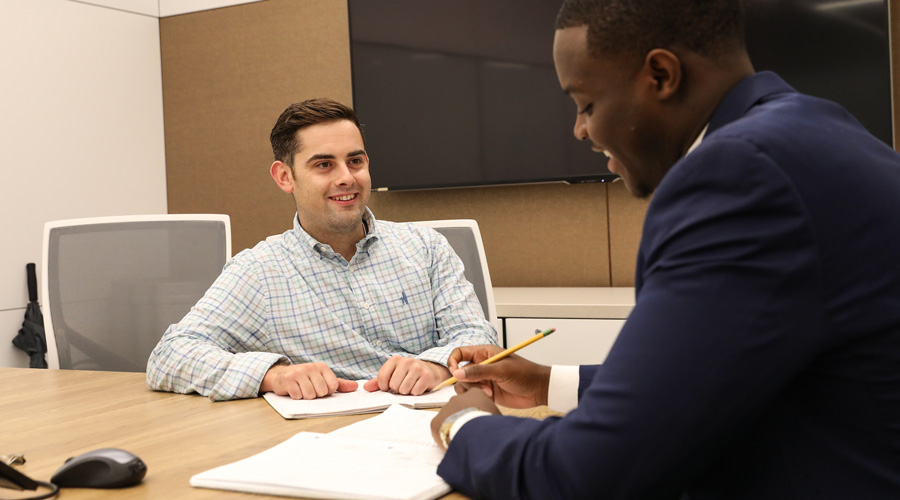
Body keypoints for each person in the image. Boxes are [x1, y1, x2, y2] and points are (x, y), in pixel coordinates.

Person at [430, 0, 900, 498]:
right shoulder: (814, 129)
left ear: (660, 75)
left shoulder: (739, 176)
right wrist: (549, 383)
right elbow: (721, 373)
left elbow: (593, 473)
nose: (581, 130)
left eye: (587, 104)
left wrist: (466, 426)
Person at [147, 98, 497, 401]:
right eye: (324, 164)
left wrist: (434, 366)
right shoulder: (260, 271)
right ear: (285, 177)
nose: (346, 177)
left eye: (355, 161)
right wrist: (274, 376)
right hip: (327, 440)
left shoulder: (426, 247)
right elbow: (170, 356)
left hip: (429, 421)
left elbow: (478, 337)